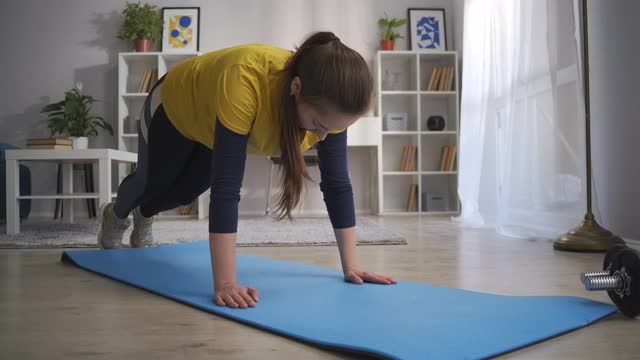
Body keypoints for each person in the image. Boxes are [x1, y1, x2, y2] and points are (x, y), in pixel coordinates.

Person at [97, 31, 397, 309]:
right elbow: (227, 189)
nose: (321, 137)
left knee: (184, 192)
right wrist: (225, 284)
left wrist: (351, 266)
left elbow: (337, 183)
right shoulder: (244, 81)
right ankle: (117, 214)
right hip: (175, 107)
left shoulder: (329, 109)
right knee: (152, 182)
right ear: (296, 88)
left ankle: (145, 214)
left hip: (211, 125)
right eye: (319, 126)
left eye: (331, 129)